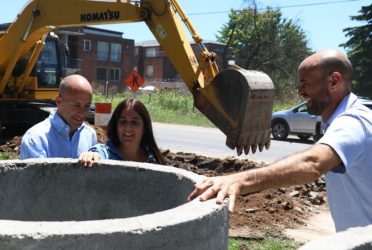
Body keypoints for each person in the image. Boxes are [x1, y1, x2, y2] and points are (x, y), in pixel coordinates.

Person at [188, 49, 372, 233]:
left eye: (305, 83)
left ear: (334, 81)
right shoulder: (342, 120)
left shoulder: (353, 122)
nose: (300, 92)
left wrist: (238, 181)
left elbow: (313, 163)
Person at [20, 74, 97, 159]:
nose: (82, 113)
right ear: (59, 101)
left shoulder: (90, 135)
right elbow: (36, 172)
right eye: (76, 105)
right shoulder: (36, 138)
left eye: (87, 106)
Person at [79, 98, 163, 166]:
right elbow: (96, 154)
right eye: (123, 121)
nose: (128, 127)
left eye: (134, 122)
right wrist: (91, 156)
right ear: (116, 125)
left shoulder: (152, 159)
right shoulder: (105, 153)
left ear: (145, 128)